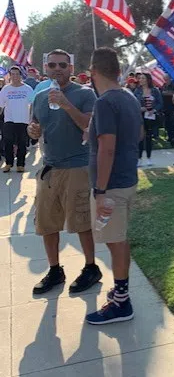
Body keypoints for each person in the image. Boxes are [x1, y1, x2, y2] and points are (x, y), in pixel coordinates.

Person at [27, 49, 102, 294]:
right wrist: (32, 131)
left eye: (62, 65)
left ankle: (91, 267)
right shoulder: (40, 96)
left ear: (71, 68)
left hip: (77, 167)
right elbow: (35, 125)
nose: (57, 69)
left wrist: (66, 104)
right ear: (45, 68)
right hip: (49, 168)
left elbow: (88, 125)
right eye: (52, 65)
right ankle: (55, 270)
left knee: (81, 221)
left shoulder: (84, 94)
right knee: (47, 224)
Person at [86, 47, 143, 324]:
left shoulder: (105, 102)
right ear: (118, 71)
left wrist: (100, 190)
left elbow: (107, 148)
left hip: (111, 187)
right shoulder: (129, 97)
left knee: (116, 241)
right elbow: (139, 134)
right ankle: (121, 292)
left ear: (93, 72)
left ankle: (122, 302)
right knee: (118, 238)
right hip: (126, 180)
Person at [0, 67, 33, 173]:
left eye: (17, 74)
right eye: (13, 74)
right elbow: (1, 105)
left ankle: (20, 164)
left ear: (21, 75)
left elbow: (32, 104)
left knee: (22, 143)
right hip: (9, 120)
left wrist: (32, 118)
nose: (15, 76)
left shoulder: (27, 89)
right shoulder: (5, 89)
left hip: (23, 120)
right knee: (8, 141)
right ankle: (8, 163)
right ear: (10, 76)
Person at [135, 73, 163, 167]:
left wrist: (154, 110)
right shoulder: (137, 91)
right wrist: (139, 108)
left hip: (151, 116)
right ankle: (139, 158)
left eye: (143, 78)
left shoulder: (155, 91)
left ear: (148, 80)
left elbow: (160, 103)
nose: (141, 80)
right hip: (140, 115)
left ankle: (149, 158)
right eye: (140, 78)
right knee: (140, 137)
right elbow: (133, 102)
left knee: (149, 136)